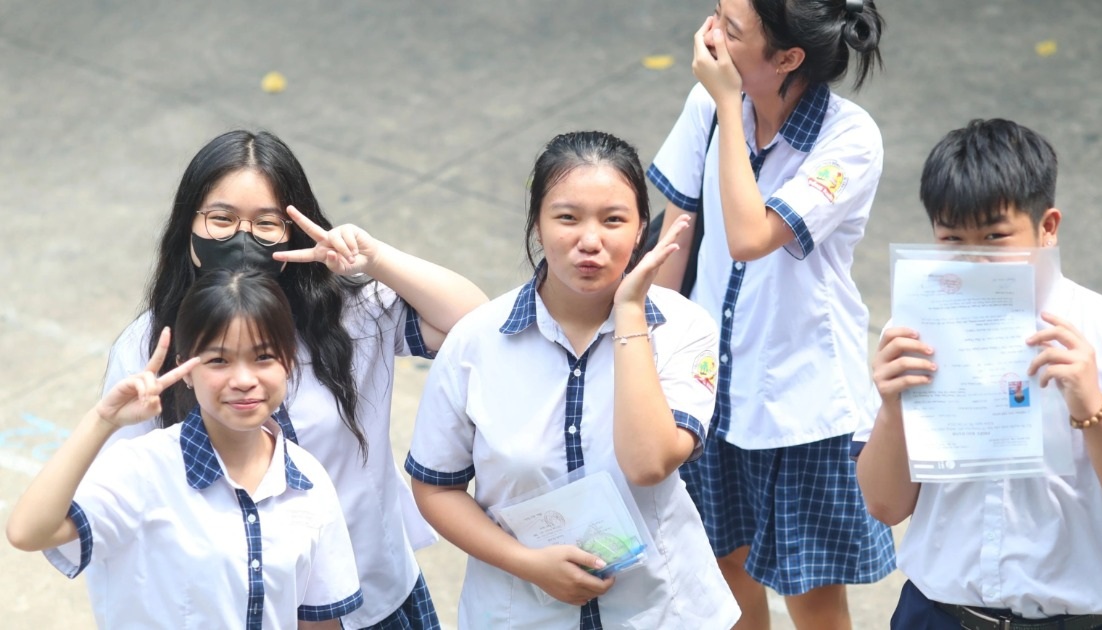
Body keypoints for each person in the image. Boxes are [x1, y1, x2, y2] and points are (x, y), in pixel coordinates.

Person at [100, 130, 488, 629]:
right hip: (242, 612)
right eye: (221, 219)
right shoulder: (146, 349)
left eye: (266, 224)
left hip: (373, 598)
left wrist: (376, 259)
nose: (242, 239)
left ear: (294, 231)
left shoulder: (347, 313)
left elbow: (475, 325)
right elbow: (120, 507)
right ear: (187, 227)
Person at [853, 119, 1102, 629]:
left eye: (994, 236)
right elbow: (884, 505)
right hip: (940, 615)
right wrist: (892, 408)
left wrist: (1092, 410)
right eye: (952, 240)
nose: (975, 260)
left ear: (1048, 227)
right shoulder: (912, 338)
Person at [405, 131, 741, 629]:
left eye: (613, 220)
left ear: (641, 229)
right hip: (520, 614)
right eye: (567, 217)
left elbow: (649, 463)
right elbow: (435, 487)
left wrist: (629, 314)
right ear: (537, 226)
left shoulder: (684, 329)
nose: (590, 241)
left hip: (660, 611)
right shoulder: (476, 342)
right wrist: (528, 564)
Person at [648, 1, 894, 627]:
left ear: (788, 58)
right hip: (708, 385)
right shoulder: (708, 105)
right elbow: (678, 232)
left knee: (810, 597)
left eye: (731, 31)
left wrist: (730, 107)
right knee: (722, 571)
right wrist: (654, 359)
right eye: (715, 15)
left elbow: (750, 235)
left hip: (799, 402)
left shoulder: (849, 138)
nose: (708, 37)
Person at [7, 269, 363, 629]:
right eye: (218, 361)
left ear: (287, 361)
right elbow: (28, 531)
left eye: (263, 357)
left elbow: (318, 623)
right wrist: (103, 420)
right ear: (185, 370)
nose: (243, 380)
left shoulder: (308, 481)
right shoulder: (142, 469)